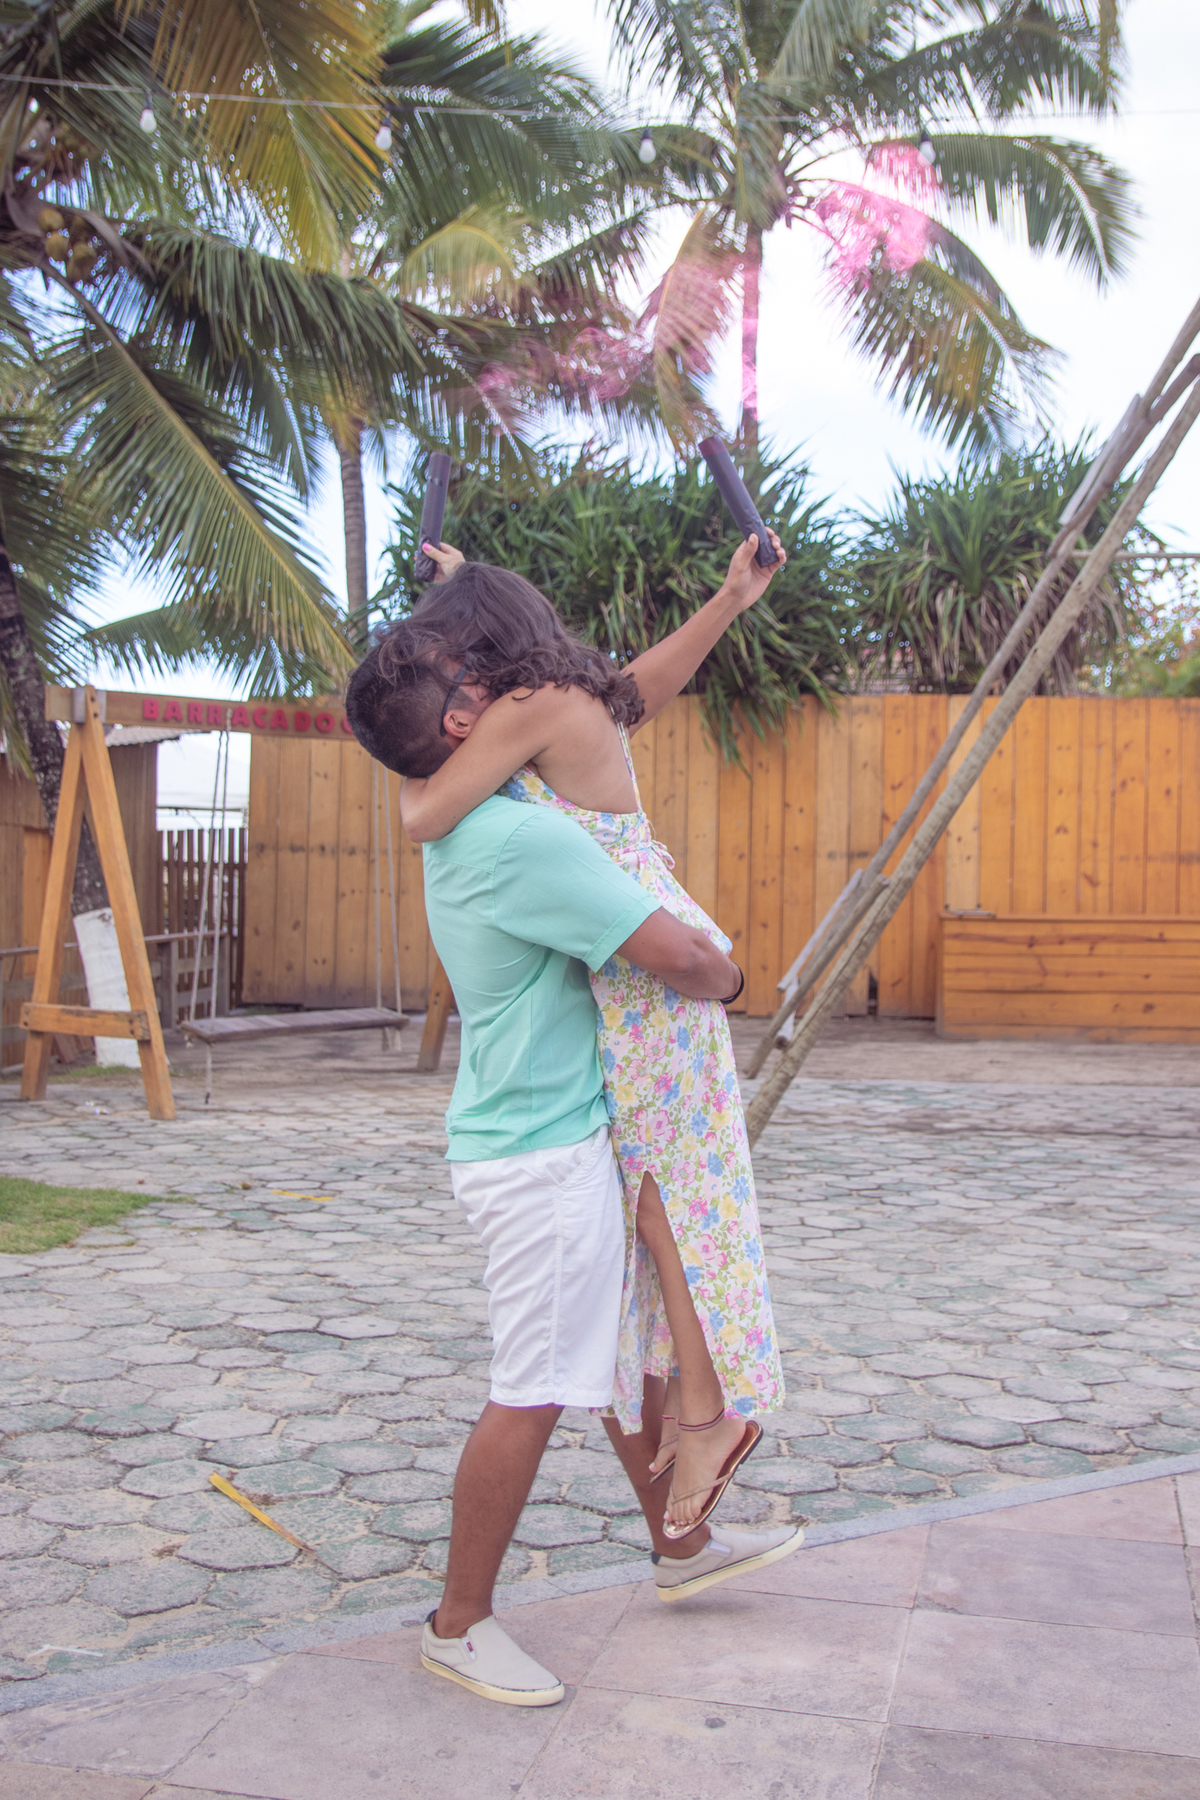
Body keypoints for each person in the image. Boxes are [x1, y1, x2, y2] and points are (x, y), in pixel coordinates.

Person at [345, 632, 805, 1708]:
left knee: (607, 1359)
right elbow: (677, 957)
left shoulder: (466, 811)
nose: (506, 684)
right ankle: (459, 1625)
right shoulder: (519, 838)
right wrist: (734, 977)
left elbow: (603, 702)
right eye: (480, 679)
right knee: (535, 1390)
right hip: (541, 1157)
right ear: (463, 723)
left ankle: (681, 1544)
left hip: (545, 1133)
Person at [395, 533, 786, 1541]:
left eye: (452, 650)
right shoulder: (565, 700)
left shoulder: (527, 710)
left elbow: (423, 806)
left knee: (667, 1202)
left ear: (482, 652)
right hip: (633, 962)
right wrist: (728, 602)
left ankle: (707, 1415)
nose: (449, 674)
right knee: (657, 1202)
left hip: (648, 969)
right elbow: (639, 691)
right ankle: (695, 1433)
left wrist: (414, 738)